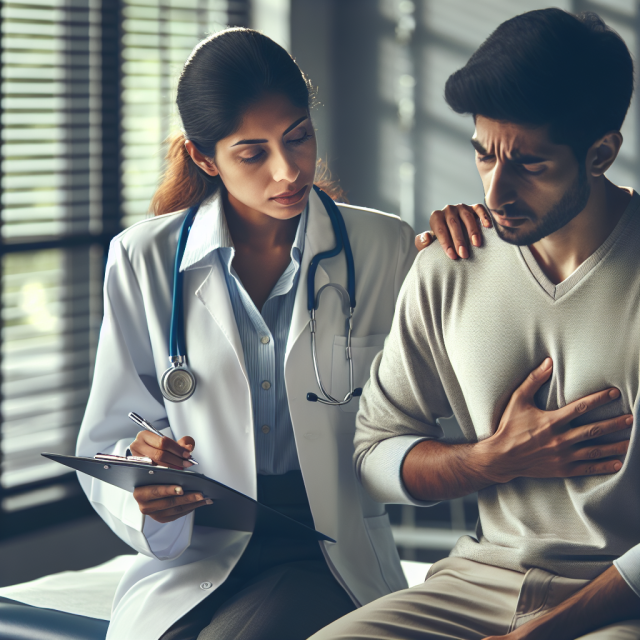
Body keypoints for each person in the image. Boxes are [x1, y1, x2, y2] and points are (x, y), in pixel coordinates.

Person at [75, 27, 479, 640]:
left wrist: (468, 254)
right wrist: (143, 484)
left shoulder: (382, 246)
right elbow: (110, 433)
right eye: (253, 153)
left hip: (326, 546)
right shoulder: (142, 259)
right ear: (205, 159)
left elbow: (439, 404)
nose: (289, 171)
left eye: (298, 137)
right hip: (198, 546)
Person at [310, 9, 640, 640]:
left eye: (530, 165)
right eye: (485, 157)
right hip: (481, 580)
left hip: (620, 598)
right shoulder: (449, 266)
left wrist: (537, 634)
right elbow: (374, 454)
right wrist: (491, 460)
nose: (495, 191)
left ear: (600, 153)